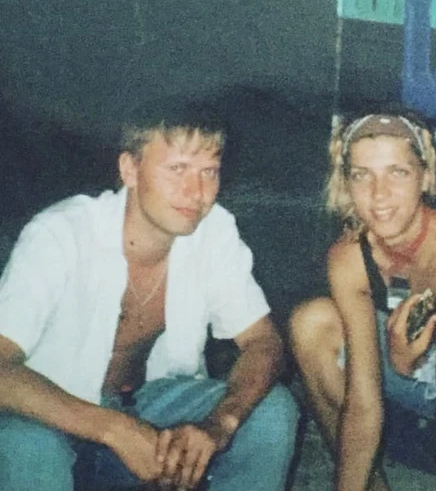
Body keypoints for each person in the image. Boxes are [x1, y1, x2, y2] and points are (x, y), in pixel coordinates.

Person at [0, 96, 300, 491]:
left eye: (209, 172)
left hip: (145, 407)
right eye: (177, 169)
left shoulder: (214, 232)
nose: (196, 191)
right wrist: (112, 428)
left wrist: (220, 423)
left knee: (272, 411)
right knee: (26, 444)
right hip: (51, 416)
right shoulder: (60, 234)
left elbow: (263, 341)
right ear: (130, 169)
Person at [289, 107, 436, 491]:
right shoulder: (350, 256)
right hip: (409, 377)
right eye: (362, 175)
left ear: (425, 176)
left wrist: (414, 362)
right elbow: (363, 398)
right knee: (310, 322)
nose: (379, 194)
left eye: (398, 172)